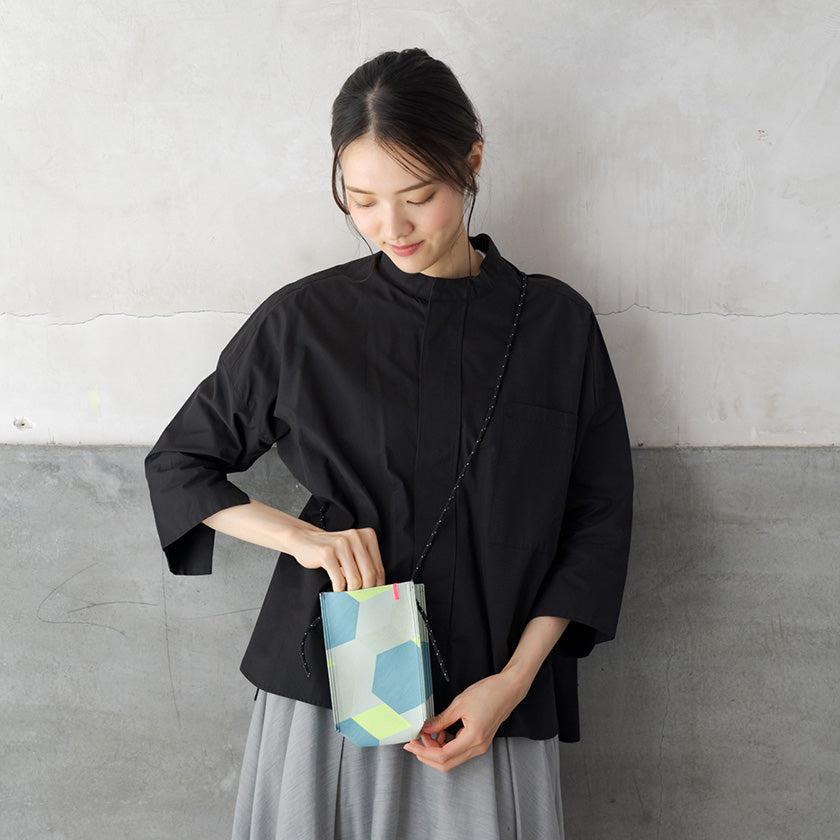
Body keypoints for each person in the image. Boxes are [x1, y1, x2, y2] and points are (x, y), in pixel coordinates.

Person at [144, 47, 633, 840]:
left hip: (490, 706)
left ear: (472, 161)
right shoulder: (305, 321)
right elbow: (179, 463)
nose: (390, 228)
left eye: (419, 197)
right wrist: (303, 540)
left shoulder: (557, 326)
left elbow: (599, 522)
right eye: (362, 200)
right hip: (327, 695)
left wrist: (513, 683)